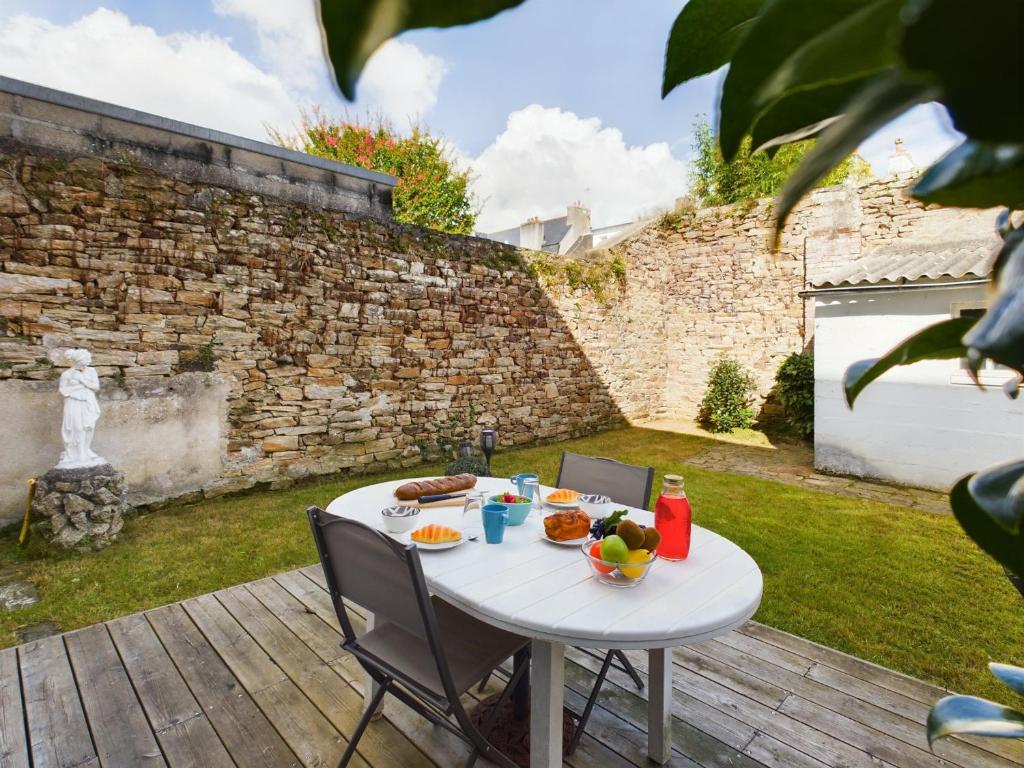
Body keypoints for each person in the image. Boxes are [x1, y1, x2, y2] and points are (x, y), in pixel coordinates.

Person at [56, 348, 105, 469]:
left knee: (89, 426)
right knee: (77, 427)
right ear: (78, 361)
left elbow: (95, 387)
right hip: (74, 403)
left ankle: (86, 449)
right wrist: (77, 389)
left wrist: (81, 380)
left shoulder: (91, 371)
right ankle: (78, 453)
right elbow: (62, 390)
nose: (89, 362)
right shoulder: (67, 374)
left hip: (88, 402)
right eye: (86, 360)